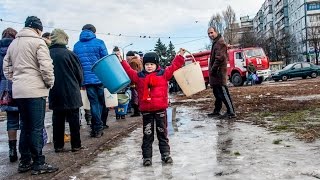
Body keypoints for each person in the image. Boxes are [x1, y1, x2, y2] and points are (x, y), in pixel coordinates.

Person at [3, 16, 58, 175]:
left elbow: (6, 67)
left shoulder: (14, 43)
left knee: (25, 126)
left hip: (19, 91)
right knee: (35, 127)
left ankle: (24, 161)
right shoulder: (38, 42)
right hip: (35, 90)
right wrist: (49, 83)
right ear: (37, 28)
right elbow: (46, 67)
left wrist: (17, 80)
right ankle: (38, 162)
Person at [117, 49, 186, 166]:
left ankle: (165, 155)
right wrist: (122, 61)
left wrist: (180, 56)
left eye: (152, 64)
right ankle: (147, 157)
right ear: (144, 65)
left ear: (156, 65)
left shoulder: (163, 74)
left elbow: (174, 67)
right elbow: (129, 71)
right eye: (147, 64)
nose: (149, 66)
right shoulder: (139, 76)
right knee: (147, 135)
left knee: (162, 134)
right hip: (147, 112)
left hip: (160, 111)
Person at [48, 29, 84, 152]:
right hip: (71, 91)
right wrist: (78, 84)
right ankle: (76, 145)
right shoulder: (70, 54)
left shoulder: (47, 53)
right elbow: (79, 74)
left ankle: (58, 145)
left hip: (54, 91)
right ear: (64, 39)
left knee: (57, 119)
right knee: (74, 119)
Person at [74, 24, 108, 138]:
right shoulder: (99, 43)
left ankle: (96, 127)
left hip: (87, 80)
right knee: (101, 103)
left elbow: (76, 64)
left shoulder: (77, 45)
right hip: (100, 77)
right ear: (94, 32)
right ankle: (99, 127)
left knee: (93, 103)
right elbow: (106, 60)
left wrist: (80, 80)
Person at [207, 26, 236, 119]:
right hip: (216, 74)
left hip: (219, 73)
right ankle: (217, 111)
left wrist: (213, 69)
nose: (210, 35)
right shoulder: (216, 42)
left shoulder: (220, 42)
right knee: (217, 93)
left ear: (216, 32)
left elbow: (219, 58)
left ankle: (231, 112)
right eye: (208, 33)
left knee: (223, 92)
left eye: (211, 33)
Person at [0, 27, 19, 162]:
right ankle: (26, 149)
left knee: (11, 120)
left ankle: (12, 151)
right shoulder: (17, 49)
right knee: (25, 118)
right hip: (19, 86)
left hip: (5, 89)